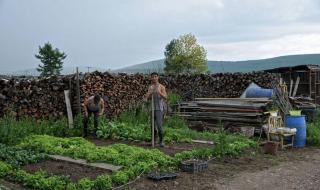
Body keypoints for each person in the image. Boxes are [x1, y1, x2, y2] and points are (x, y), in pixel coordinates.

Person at [144, 72, 167, 147]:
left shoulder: (161, 86)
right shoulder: (150, 87)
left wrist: (159, 92)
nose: (154, 78)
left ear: (158, 77)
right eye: (152, 77)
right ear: (151, 78)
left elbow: (165, 97)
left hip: (159, 109)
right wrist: (147, 96)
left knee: (159, 126)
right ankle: (154, 141)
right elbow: (147, 98)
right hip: (152, 109)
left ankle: (161, 141)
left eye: (155, 76)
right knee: (152, 126)